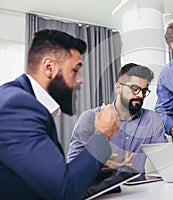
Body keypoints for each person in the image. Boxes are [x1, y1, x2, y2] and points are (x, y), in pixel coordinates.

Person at [0, 29, 119, 200]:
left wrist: (91, 171)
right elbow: (64, 192)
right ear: (49, 67)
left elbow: (41, 180)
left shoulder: (22, 100)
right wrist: (103, 133)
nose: (81, 80)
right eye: (75, 69)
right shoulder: (17, 106)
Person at [68, 63, 168, 173]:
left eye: (144, 91)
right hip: (103, 188)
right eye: (135, 88)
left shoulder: (153, 120)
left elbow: (165, 159)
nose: (140, 95)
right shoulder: (90, 118)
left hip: (141, 187)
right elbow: (72, 166)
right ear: (118, 88)